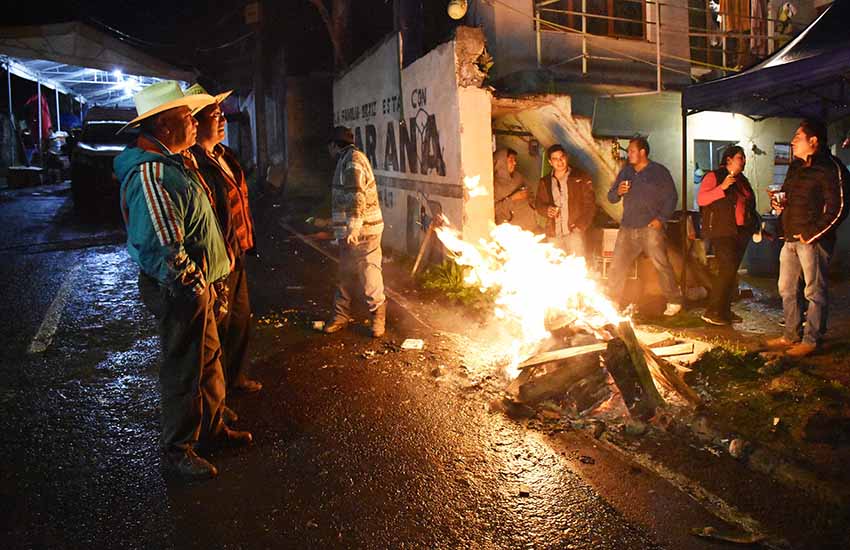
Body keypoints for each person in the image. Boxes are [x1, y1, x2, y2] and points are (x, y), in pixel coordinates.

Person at [113, 81, 251, 480]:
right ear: (165, 126)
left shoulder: (175, 162)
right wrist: (196, 285)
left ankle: (211, 429)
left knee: (208, 360)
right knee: (184, 366)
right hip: (180, 290)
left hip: (198, 285)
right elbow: (166, 244)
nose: (196, 123)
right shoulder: (153, 174)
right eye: (186, 117)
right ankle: (178, 448)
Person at [188, 84, 262, 399]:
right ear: (195, 123)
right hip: (218, 258)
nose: (221, 121)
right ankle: (215, 395)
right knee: (218, 324)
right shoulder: (193, 163)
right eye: (213, 115)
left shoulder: (224, 155)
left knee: (240, 318)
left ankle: (235, 376)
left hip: (238, 250)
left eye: (221, 115)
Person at [767, 119, 848, 357]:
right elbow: (788, 196)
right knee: (786, 288)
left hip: (812, 241)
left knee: (814, 291)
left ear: (813, 141)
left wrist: (812, 234)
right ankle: (790, 335)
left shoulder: (831, 167)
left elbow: (840, 207)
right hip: (790, 237)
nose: (792, 142)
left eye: (797, 137)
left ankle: (811, 340)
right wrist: (778, 204)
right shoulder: (795, 167)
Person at [323, 126, 387, 338]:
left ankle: (378, 316)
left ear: (334, 145)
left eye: (328, 147)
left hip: (363, 231)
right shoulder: (347, 158)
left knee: (369, 274)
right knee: (345, 273)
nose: (328, 152)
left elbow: (357, 196)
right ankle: (340, 316)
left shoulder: (352, 161)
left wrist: (353, 227)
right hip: (352, 232)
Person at [606, 136, 683, 315]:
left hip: (651, 228)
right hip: (627, 227)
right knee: (617, 266)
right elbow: (611, 197)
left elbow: (672, 197)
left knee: (661, 264)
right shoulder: (626, 172)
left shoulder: (659, 172)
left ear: (642, 152)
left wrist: (661, 219)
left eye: (632, 150)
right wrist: (618, 192)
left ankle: (674, 300)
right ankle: (612, 301)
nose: (629, 154)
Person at [697, 145, 758, 326]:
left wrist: (756, 225)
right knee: (726, 270)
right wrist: (721, 188)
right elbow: (702, 199)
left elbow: (748, 205)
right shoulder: (714, 176)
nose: (744, 160)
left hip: (740, 232)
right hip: (721, 231)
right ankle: (712, 310)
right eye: (740, 157)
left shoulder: (742, 180)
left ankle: (724, 310)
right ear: (729, 159)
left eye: (744, 157)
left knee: (732, 273)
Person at [535, 144, 596, 258]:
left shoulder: (580, 177)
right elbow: (538, 204)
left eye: (562, 157)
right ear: (550, 162)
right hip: (554, 234)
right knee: (555, 268)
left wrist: (580, 225)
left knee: (578, 267)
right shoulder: (545, 181)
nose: (560, 161)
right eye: (555, 159)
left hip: (575, 233)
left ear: (566, 157)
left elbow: (590, 205)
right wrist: (546, 210)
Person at [493, 148, 537, 232]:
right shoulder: (494, 184)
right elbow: (494, 209)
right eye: (511, 160)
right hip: (511, 231)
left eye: (515, 160)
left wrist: (531, 205)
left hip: (530, 226)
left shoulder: (518, 176)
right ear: (501, 162)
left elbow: (530, 192)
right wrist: (512, 198)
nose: (515, 163)